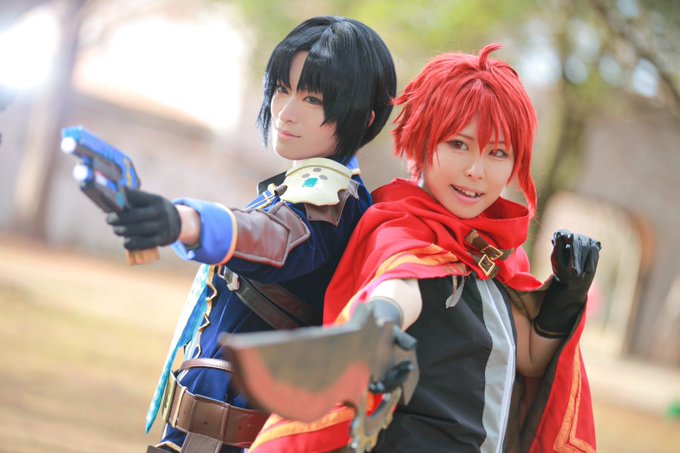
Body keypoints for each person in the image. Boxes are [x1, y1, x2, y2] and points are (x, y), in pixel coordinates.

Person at [248, 44, 600, 453]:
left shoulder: (495, 254)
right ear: (422, 142)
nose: (476, 170)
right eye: (458, 144)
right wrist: (380, 323)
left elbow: (530, 358)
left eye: (497, 152)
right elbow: (398, 283)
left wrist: (567, 293)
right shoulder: (400, 227)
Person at [105, 16, 396, 453]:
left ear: (364, 117)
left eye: (312, 98)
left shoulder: (330, 200)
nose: (286, 111)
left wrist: (188, 222)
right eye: (282, 88)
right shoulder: (303, 188)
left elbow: (276, 239)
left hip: (234, 436)